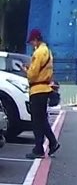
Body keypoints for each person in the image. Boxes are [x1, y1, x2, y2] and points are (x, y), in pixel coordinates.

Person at [22, 29, 60, 159]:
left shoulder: (38, 53)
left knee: (37, 121)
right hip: (45, 89)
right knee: (42, 119)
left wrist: (26, 70)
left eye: (32, 42)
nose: (31, 44)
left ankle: (39, 149)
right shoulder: (47, 51)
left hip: (37, 90)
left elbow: (32, 75)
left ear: (35, 39)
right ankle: (52, 143)